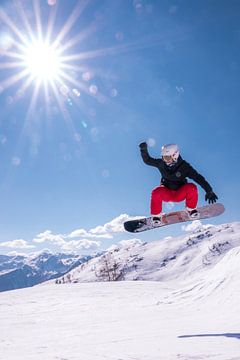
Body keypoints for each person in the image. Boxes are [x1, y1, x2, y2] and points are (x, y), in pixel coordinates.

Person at [139, 142, 218, 225]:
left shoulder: (185, 167)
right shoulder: (161, 163)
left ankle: (191, 210)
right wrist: (143, 150)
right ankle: (156, 216)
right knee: (156, 191)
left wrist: (209, 190)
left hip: (180, 193)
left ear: (175, 156)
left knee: (192, 187)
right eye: (164, 158)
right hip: (167, 193)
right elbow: (148, 160)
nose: (165, 161)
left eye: (168, 158)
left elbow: (198, 178)